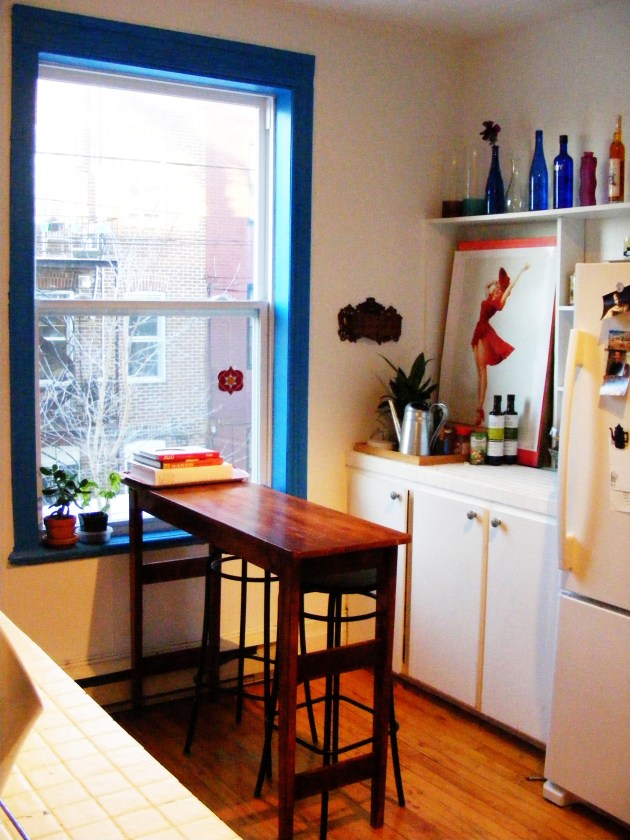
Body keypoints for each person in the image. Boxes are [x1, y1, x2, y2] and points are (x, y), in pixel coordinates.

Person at [471, 263, 530, 426]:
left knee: (482, 370)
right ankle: (479, 407)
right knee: (479, 370)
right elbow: (486, 285)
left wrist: (521, 270)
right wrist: (495, 282)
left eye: (498, 286)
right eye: (496, 287)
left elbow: (510, 287)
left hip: (484, 333)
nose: (496, 287)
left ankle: (479, 408)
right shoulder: (490, 297)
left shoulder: (498, 301)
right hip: (479, 330)